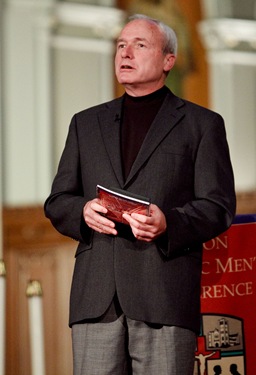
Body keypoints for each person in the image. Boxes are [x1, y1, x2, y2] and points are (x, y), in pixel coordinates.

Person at [44, 14, 236, 375]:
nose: (125, 53)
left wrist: (169, 223)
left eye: (139, 45)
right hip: (96, 297)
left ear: (168, 60)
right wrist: (82, 211)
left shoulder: (202, 124)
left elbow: (219, 205)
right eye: (120, 45)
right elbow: (57, 201)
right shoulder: (85, 123)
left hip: (163, 294)